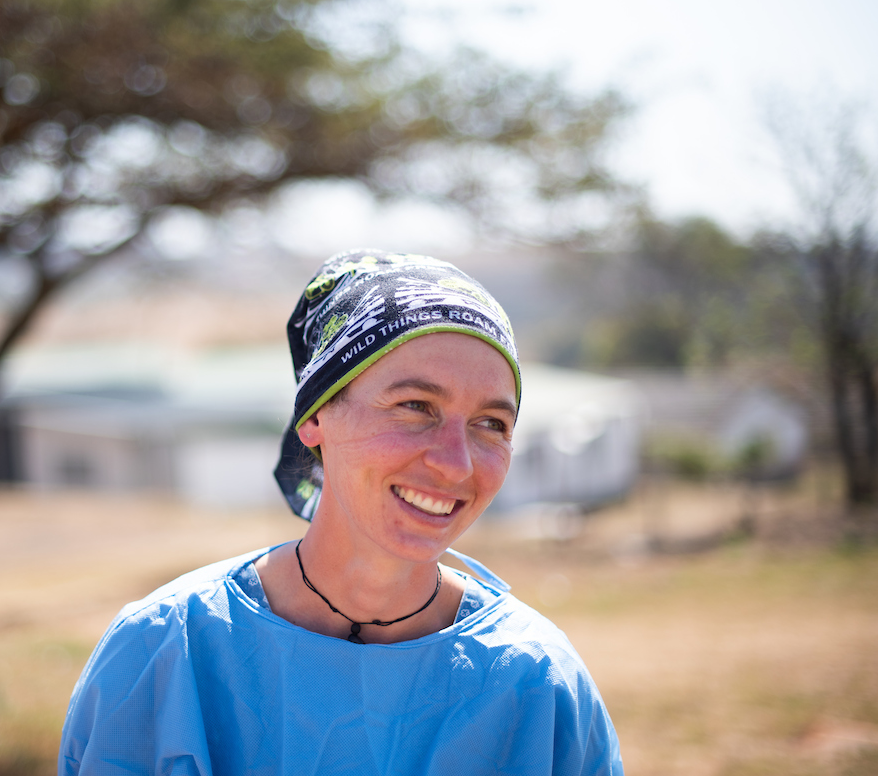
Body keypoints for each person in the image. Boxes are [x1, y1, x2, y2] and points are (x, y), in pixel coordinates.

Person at [59, 250, 623, 775]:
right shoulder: (167, 653)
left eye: (491, 423)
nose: (456, 465)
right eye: (415, 406)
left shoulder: (537, 684)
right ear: (316, 418)